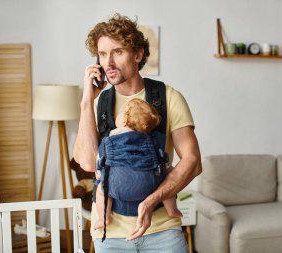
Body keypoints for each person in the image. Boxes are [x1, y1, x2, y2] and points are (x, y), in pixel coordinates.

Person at [73, 13, 202, 252]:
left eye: (117, 52)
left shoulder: (168, 98)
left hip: (162, 230)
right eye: (102, 54)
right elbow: (88, 162)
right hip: (109, 235)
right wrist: (85, 101)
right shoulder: (97, 104)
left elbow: (193, 162)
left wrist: (153, 199)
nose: (108, 62)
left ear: (138, 54)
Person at [94, 98, 182, 230]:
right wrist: (168, 169)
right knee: (167, 180)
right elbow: (161, 159)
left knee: (101, 191)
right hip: (148, 186)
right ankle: (172, 210)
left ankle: (103, 218)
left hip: (117, 185)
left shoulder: (110, 137)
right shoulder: (151, 140)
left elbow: (101, 158)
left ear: (123, 120)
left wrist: (99, 171)